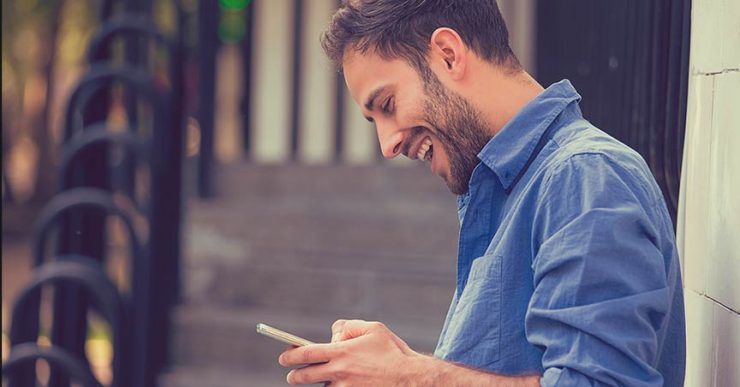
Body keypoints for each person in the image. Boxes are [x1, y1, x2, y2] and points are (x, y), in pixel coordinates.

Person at [278, 1, 686, 385]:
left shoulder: (585, 176)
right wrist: (402, 367)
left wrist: (413, 377)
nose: (387, 145)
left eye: (387, 103)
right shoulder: (513, 188)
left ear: (448, 54)